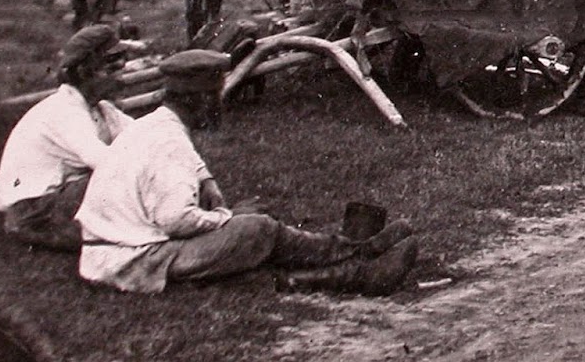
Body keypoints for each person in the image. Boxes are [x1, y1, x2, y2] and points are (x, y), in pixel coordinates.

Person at [76, 50, 418, 295]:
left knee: (254, 221)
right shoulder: (170, 145)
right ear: (198, 101)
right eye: (215, 97)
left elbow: (182, 167)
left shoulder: (155, 125)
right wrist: (226, 217)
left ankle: (349, 251)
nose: (220, 105)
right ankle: (357, 265)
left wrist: (206, 180)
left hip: (112, 251)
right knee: (257, 227)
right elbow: (175, 220)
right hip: (135, 260)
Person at [0, 25, 134, 251]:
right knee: (118, 182)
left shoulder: (101, 109)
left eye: (123, 63)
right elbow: (104, 162)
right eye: (111, 67)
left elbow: (146, 136)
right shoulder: (65, 111)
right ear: (82, 72)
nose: (121, 74)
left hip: (57, 199)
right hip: (34, 212)